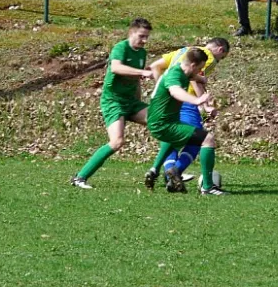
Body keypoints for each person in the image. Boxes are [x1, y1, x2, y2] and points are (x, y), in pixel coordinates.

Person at [70, 17, 154, 189]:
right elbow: (116, 68)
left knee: (163, 122)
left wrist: (139, 100)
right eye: (141, 36)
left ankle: (171, 171)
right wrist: (142, 72)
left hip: (131, 102)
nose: (145, 40)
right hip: (113, 102)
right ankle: (80, 177)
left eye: (147, 37)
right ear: (131, 32)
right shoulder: (120, 48)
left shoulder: (141, 53)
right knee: (117, 142)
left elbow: (136, 79)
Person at [144, 38, 230, 189]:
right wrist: (200, 103)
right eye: (199, 69)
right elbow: (176, 90)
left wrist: (200, 78)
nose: (200, 72)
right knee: (206, 140)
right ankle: (205, 186)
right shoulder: (204, 58)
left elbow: (158, 66)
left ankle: (160, 170)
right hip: (167, 120)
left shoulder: (185, 55)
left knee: (177, 140)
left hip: (165, 118)